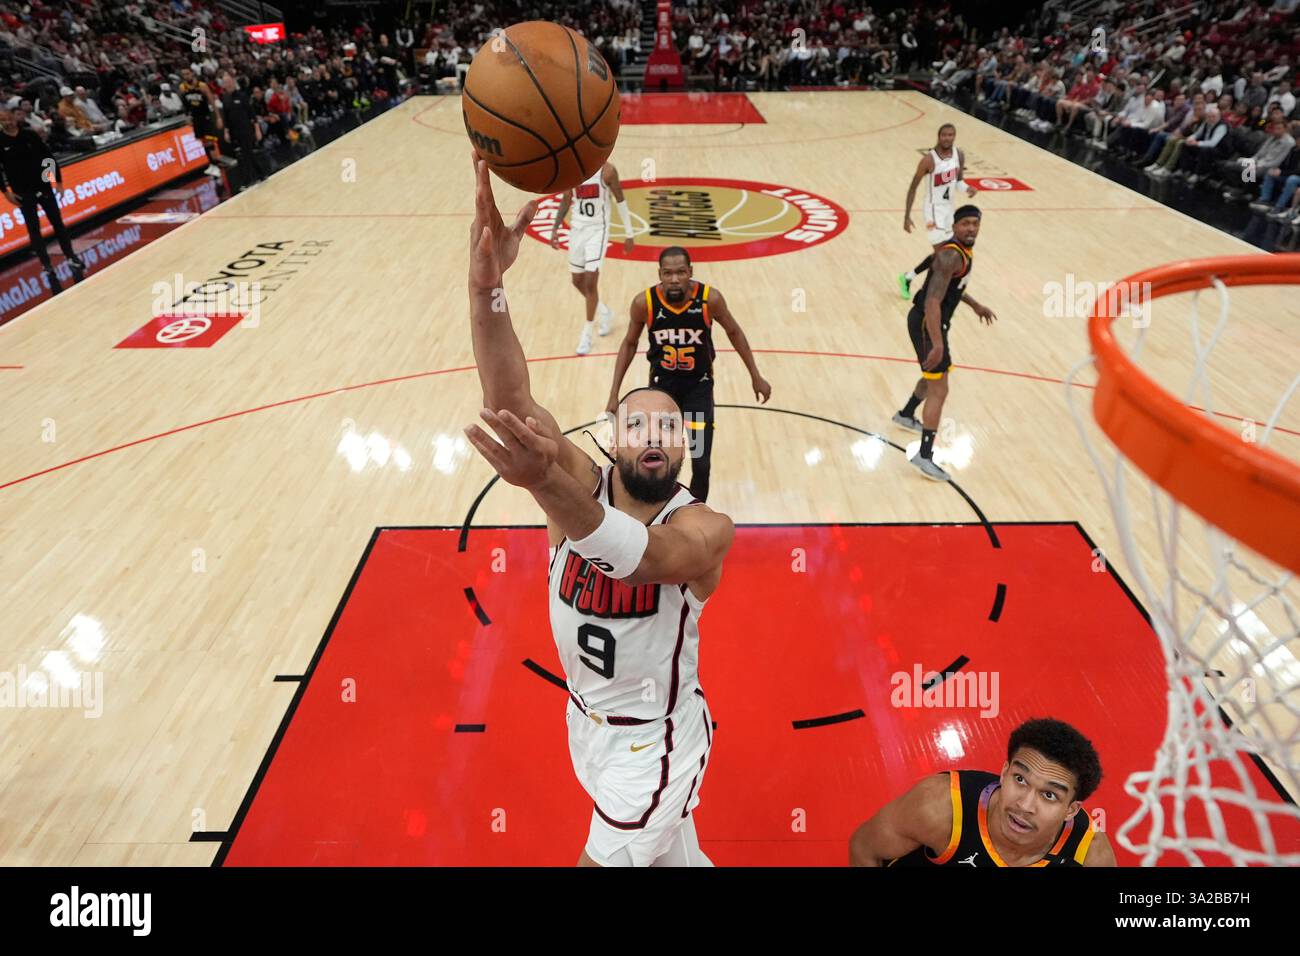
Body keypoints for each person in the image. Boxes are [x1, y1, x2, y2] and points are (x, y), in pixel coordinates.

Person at [462, 154, 731, 867]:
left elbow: (645, 558)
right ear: (614, 438)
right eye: (636, 425)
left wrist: (543, 481)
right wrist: (485, 287)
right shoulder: (581, 479)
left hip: (657, 741)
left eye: (667, 429)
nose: (651, 437)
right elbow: (511, 404)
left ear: (684, 444)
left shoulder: (705, 529)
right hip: (586, 726)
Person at [606, 247, 772, 502]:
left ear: (690, 273)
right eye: (668, 273)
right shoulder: (644, 303)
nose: (674, 279)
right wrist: (614, 393)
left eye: (681, 272)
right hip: (662, 392)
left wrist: (755, 375)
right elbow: (629, 343)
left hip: (698, 389)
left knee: (701, 462)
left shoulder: (709, 299)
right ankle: (655, 513)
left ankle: (694, 518)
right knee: (655, 458)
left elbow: (735, 332)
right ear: (659, 274)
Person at [849, 717, 1117, 867]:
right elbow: (863, 848)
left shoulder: (1090, 855)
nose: (1024, 805)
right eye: (1020, 779)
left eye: (1048, 795)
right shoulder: (940, 806)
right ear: (1004, 772)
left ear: (1071, 810)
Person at [891, 205, 995, 481]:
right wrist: (937, 344)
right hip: (929, 322)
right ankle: (924, 456)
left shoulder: (960, 253)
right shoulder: (950, 255)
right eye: (966, 224)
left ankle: (905, 414)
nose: (971, 228)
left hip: (931, 323)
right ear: (955, 226)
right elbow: (933, 300)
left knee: (935, 375)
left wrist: (974, 304)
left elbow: (949, 287)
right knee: (940, 388)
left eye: (975, 224)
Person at [550, 162, 634, 354]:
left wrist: (629, 233)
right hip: (577, 230)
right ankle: (605, 312)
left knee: (589, 283)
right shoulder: (571, 169)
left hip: (598, 231)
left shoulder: (608, 171)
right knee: (577, 281)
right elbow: (566, 198)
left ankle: (586, 334)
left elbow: (620, 199)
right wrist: (555, 228)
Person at [0, 107, 84, 283]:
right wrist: (6, 192)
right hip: (22, 193)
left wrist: (57, 182)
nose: (8, 122)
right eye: (4, 119)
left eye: (10, 118)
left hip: (43, 187)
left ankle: (71, 256)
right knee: (34, 230)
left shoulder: (29, 135)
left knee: (58, 224)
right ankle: (46, 265)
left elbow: (48, 158)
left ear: (15, 119)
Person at [899, 123, 975, 299]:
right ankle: (934, 294)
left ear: (954, 137)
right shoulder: (929, 160)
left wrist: (968, 189)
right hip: (933, 211)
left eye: (951, 135)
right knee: (944, 255)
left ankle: (908, 277)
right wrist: (906, 216)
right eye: (944, 135)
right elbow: (913, 187)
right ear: (938, 136)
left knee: (943, 254)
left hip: (949, 210)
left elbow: (958, 182)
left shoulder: (959, 155)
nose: (947, 138)